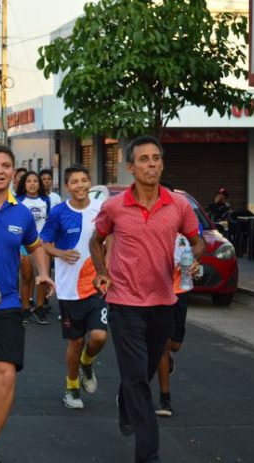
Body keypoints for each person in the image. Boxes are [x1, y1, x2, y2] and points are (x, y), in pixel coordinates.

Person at [89, 136, 204, 463]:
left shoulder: (178, 205)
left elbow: (197, 242)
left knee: (146, 371)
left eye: (156, 158)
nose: (151, 164)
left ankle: (127, 401)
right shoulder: (114, 207)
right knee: (138, 378)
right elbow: (95, 241)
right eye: (144, 159)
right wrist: (102, 271)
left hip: (163, 302)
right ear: (130, 167)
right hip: (124, 302)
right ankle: (148, 455)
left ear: (162, 163)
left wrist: (193, 258)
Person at [0, 144, 55, 463]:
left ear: (14, 171)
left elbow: (35, 246)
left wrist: (42, 273)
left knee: (5, 373)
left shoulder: (20, 211)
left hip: (5, 304)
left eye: (6, 165)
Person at [41, 164, 107, 410]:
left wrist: (106, 271)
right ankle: (71, 388)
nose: (80, 185)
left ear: (90, 182)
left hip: (97, 284)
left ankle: (87, 363)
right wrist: (60, 252)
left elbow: (109, 239)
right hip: (69, 289)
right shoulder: (58, 212)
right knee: (75, 341)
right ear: (67, 186)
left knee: (99, 336)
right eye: (74, 182)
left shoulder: (101, 209)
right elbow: (44, 243)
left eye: (83, 180)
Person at [155, 233, 191, 418]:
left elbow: (192, 255)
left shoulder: (185, 231)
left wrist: (193, 271)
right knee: (164, 345)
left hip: (179, 291)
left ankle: (168, 356)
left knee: (175, 345)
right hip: (159, 292)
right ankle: (165, 399)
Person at [15, 171, 49, 324]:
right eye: (28, 181)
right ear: (24, 184)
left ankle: (40, 307)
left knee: (43, 276)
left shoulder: (45, 200)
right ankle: (25, 308)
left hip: (41, 244)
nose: (32, 184)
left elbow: (48, 222)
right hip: (24, 244)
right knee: (27, 277)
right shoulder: (18, 200)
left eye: (35, 181)